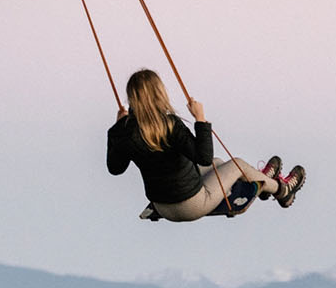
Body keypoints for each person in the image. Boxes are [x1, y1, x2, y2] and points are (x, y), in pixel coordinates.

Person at [107, 68, 304, 220]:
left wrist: (117, 129)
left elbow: (116, 169)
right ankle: (282, 190)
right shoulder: (169, 125)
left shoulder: (121, 131)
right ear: (159, 94)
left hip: (162, 206)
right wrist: (200, 119)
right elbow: (203, 157)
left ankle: (263, 181)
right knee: (237, 165)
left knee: (218, 164)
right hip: (191, 205)